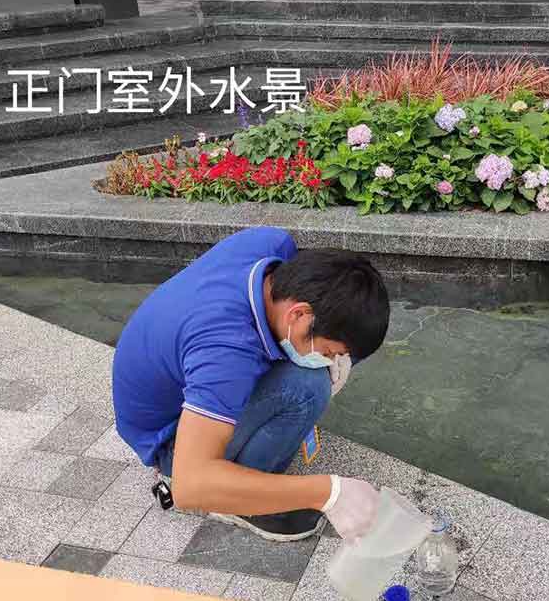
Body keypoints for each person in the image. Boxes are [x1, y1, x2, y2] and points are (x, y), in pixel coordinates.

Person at [112, 225, 389, 543]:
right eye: (326, 352)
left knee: (331, 357)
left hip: (182, 386)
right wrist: (329, 493)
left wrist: (336, 356)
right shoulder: (227, 352)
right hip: (174, 444)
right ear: (298, 314)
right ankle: (237, 502)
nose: (328, 360)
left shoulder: (271, 246)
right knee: (306, 387)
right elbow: (191, 486)